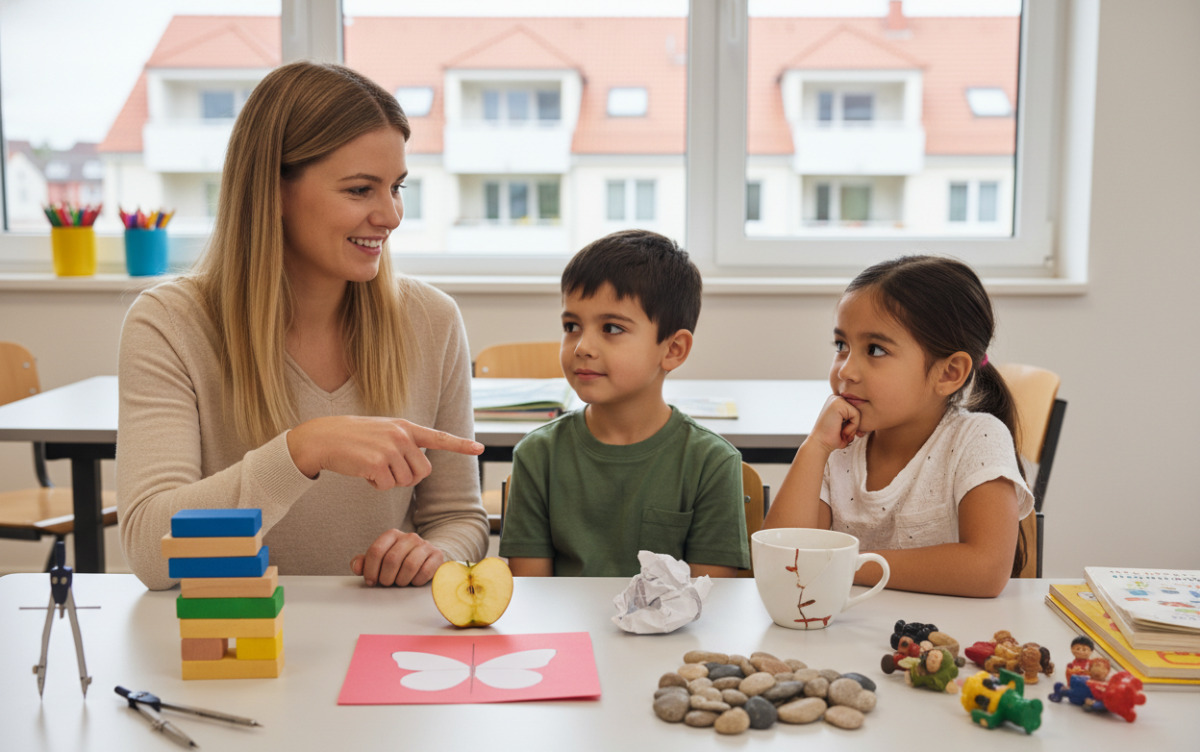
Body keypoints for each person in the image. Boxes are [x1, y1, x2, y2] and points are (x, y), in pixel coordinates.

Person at [118, 62, 488, 591]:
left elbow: (459, 518)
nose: (391, 215)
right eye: (361, 190)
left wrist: (435, 554)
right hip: (234, 646)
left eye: (396, 187)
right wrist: (300, 451)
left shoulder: (432, 320)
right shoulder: (170, 324)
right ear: (273, 191)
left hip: (382, 639)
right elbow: (152, 553)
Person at [762, 255, 1034, 597]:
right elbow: (783, 557)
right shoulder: (840, 446)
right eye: (841, 346)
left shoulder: (976, 438)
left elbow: (987, 570)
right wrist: (815, 446)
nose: (846, 370)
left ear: (948, 373)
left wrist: (843, 565)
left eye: (875, 350)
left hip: (945, 640)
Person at [498, 230, 749, 577]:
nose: (582, 346)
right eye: (572, 325)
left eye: (612, 328)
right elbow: (533, 594)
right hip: (567, 630)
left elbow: (712, 602)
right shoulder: (537, 456)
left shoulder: (712, 463)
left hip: (675, 633)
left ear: (673, 349)